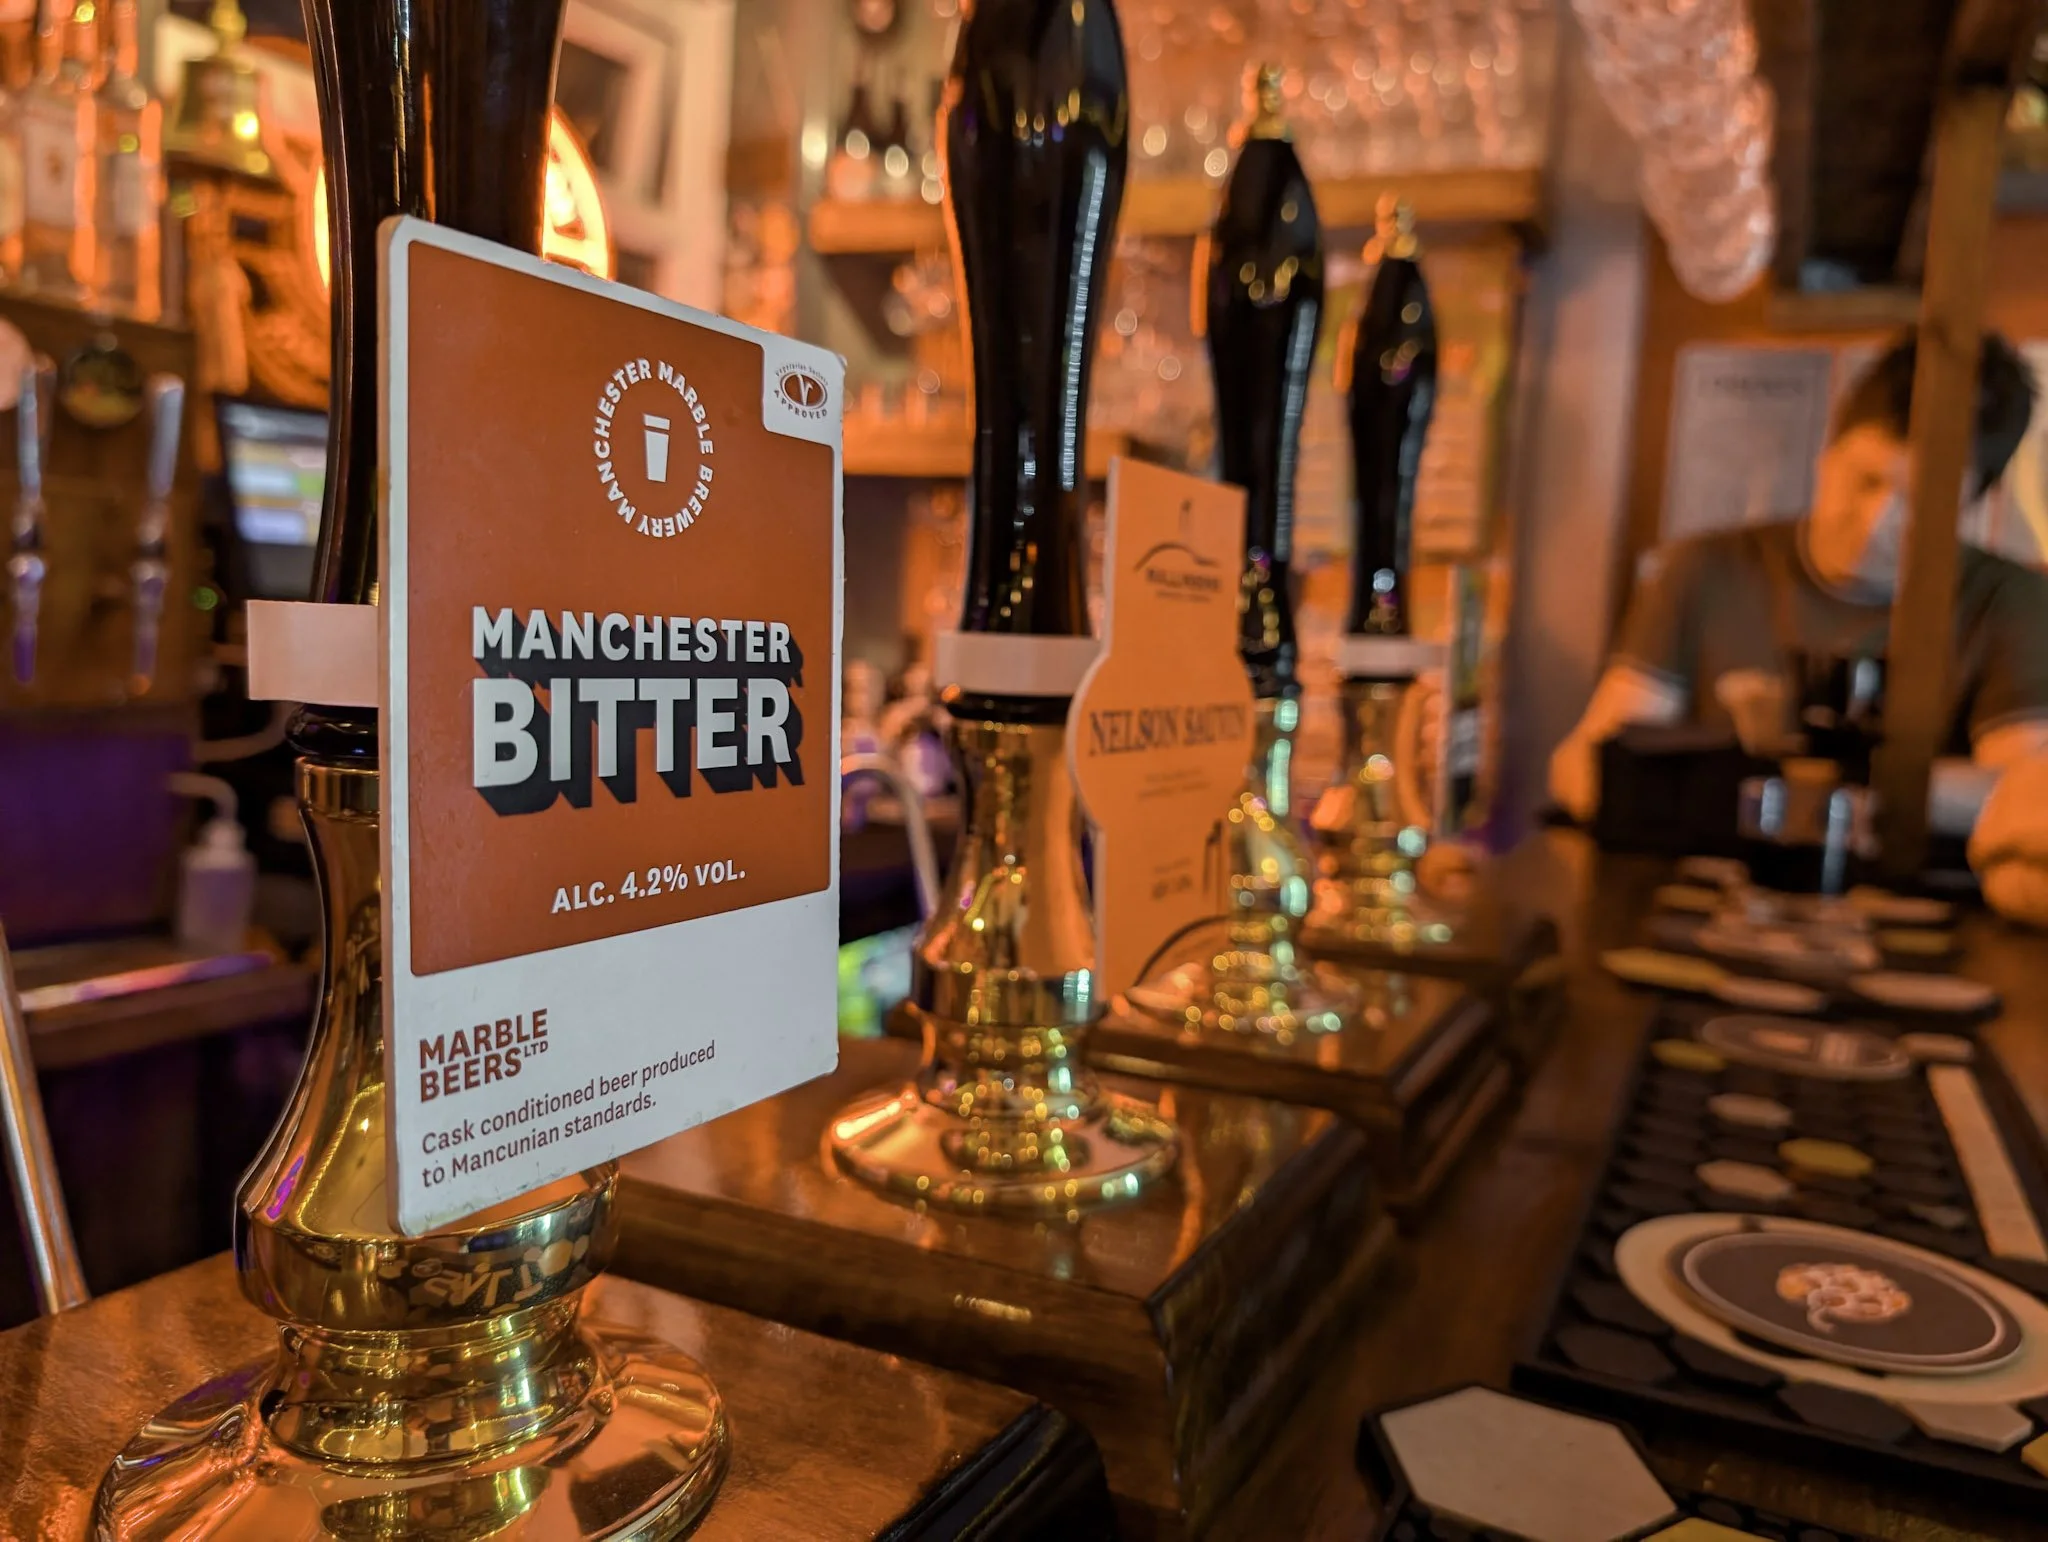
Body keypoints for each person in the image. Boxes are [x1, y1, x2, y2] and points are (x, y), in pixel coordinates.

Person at [1549, 329, 2048, 922]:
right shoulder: (1707, 570)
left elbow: (2025, 802)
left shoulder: (2008, 601)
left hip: (1909, 926)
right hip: (1713, 917)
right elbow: (1584, 766)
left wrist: (1789, 791)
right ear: (1825, 455)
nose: (1877, 523)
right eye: (1866, 480)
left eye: (1920, 502)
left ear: (1973, 506)